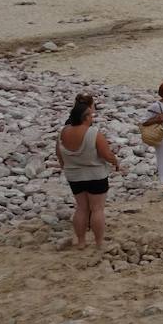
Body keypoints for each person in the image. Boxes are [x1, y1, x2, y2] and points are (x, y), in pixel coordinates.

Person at [56, 93, 121, 249]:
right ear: (86, 117)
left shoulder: (63, 132)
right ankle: (99, 242)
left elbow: (59, 154)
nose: (92, 118)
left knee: (81, 208)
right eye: (91, 115)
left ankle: (81, 241)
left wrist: (66, 166)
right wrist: (115, 162)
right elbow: (106, 154)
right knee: (97, 209)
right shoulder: (93, 133)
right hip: (95, 174)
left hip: (74, 175)